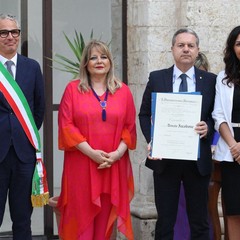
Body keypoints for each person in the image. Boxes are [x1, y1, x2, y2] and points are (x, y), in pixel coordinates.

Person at [139, 28, 216, 239]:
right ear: (172, 49)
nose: (186, 49)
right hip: (165, 159)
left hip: (197, 161)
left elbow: (216, 116)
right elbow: (144, 114)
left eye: (191, 46)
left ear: (197, 51)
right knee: (165, 222)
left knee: (199, 221)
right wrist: (152, 139)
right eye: (181, 45)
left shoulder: (210, 80)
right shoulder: (157, 78)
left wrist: (207, 127)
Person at [57, 40, 136, 240]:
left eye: (103, 57)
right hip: (82, 166)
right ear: (85, 63)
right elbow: (66, 125)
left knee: (104, 226)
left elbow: (129, 127)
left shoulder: (123, 91)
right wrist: (92, 153)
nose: (99, 61)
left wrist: (116, 155)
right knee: (80, 222)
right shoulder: (72, 89)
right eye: (93, 57)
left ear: (110, 62)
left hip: (111, 166)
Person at [0, 14, 45, 239]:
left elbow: (39, 110)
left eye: (14, 32)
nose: (10, 37)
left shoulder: (32, 67)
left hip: (23, 156)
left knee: (22, 219)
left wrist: (23, 135)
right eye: (4, 32)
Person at [212, 25, 240, 240]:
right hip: (232, 151)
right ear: (232, 48)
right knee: (233, 210)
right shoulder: (223, 77)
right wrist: (234, 145)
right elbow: (219, 116)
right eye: (238, 43)